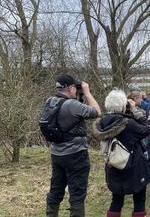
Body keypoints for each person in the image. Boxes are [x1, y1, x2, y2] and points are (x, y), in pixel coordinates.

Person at [46, 73, 101, 217]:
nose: (77, 91)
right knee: (77, 193)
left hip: (57, 153)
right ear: (70, 88)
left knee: (55, 190)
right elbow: (97, 111)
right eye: (76, 88)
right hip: (75, 154)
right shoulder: (72, 105)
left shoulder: (50, 101)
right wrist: (87, 93)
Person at [93, 89, 150, 217]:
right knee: (139, 199)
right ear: (124, 107)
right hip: (133, 165)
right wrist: (135, 111)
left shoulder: (102, 122)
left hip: (113, 165)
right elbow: (146, 130)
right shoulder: (128, 123)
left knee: (117, 199)